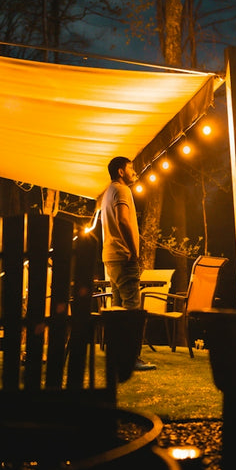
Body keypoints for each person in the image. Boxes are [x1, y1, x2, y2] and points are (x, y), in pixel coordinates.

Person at [100, 156, 156, 371]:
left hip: (110, 256)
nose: (135, 171)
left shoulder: (108, 192)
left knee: (117, 308)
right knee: (132, 308)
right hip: (123, 256)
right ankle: (131, 359)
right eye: (131, 167)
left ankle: (116, 357)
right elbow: (123, 220)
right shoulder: (122, 190)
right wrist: (133, 251)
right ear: (121, 171)